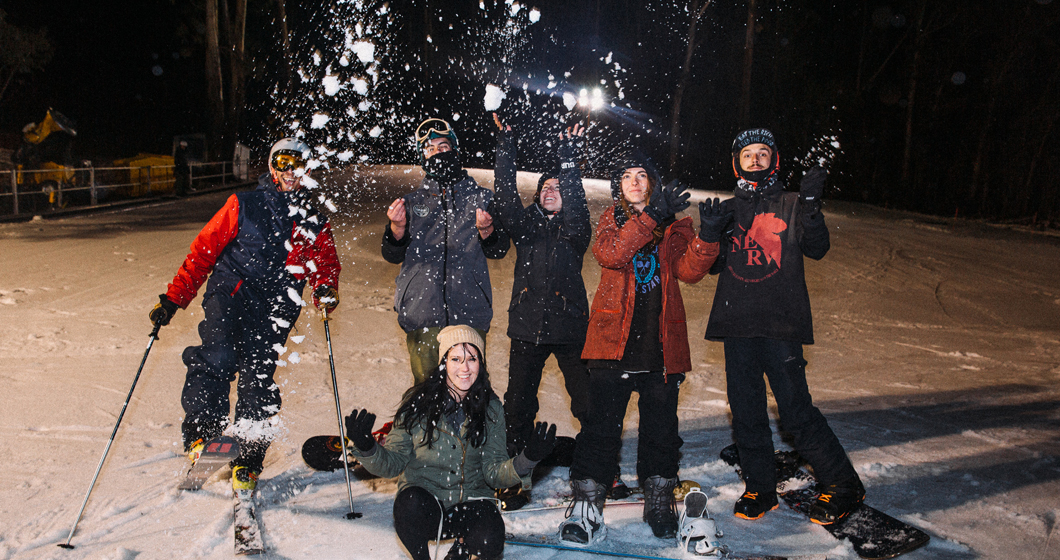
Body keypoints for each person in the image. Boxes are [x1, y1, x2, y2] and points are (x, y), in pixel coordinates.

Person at [149, 137, 341, 490]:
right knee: (218, 356)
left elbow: (325, 263)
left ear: (308, 169)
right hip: (232, 293)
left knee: (258, 378)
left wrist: (325, 288)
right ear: (271, 167)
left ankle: (248, 457)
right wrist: (173, 299)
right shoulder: (243, 204)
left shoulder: (313, 218)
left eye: (297, 164)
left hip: (277, 305)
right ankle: (202, 438)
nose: (289, 172)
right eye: (282, 163)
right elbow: (202, 253)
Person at [701, 127, 864, 524]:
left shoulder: (792, 203)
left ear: (774, 160)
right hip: (737, 324)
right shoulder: (727, 209)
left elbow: (817, 248)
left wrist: (810, 205)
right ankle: (760, 486)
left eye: (762, 154)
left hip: (781, 325)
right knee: (745, 411)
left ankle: (842, 483)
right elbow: (712, 266)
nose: (754, 161)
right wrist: (709, 232)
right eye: (747, 155)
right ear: (735, 162)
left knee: (794, 411)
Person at [559, 152, 720, 546]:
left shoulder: (674, 225)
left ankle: (660, 501)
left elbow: (688, 271)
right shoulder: (612, 220)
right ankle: (587, 506)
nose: (633, 181)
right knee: (600, 429)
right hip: (611, 344)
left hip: (660, 348)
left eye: (641, 175)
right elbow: (611, 254)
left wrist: (709, 237)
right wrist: (651, 217)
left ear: (653, 182)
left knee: (661, 432)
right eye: (626, 176)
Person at [344, 325, 556, 560]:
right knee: (409, 504)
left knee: (490, 539)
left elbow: (494, 473)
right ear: (444, 363)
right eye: (456, 359)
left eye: (472, 359)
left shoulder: (491, 409)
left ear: (481, 363)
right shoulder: (417, 404)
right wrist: (367, 446)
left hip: (470, 506)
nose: (464, 368)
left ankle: (464, 547)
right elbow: (392, 464)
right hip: (427, 506)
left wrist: (528, 459)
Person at [490, 114, 591, 465]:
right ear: (537, 196)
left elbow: (577, 203)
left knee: (586, 400)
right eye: (545, 187)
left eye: (558, 187)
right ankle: (512, 458)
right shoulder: (526, 227)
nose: (551, 191)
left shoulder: (576, 229)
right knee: (517, 401)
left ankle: (597, 460)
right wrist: (506, 149)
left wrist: (569, 160)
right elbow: (504, 197)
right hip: (526, 325)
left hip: (569, 327)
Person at [382, 118, 510, 385]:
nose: (438, 152)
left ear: (455, 150)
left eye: (443, 145)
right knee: (426, 395)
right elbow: (392, 255)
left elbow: (499, 250)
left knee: (470, 391)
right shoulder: (411, 201)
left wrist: (487, 231)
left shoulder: (481, 198)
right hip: (422, 313)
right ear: (422, 157)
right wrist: (397, 228)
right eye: (430, 149)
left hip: (469, 313)